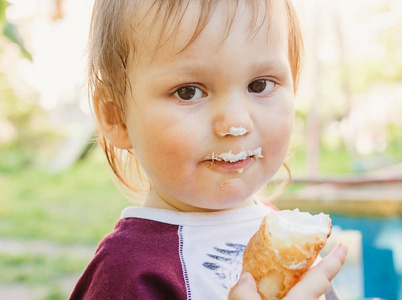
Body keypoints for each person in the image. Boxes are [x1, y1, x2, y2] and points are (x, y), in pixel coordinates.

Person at [70, 0, 347, 299]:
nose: (235, 124)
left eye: (260, 85)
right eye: (188, 91)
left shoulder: (276, 231)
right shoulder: (127, 272)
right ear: (117, 117)